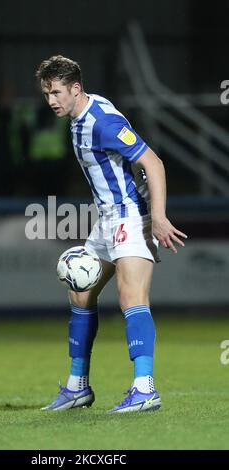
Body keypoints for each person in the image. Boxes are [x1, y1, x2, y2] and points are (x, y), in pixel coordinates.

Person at [35, 55, 187, 413]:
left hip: (130, 217)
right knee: (80, 294)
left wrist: (159, 217)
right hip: (106, 219)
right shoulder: (79, 115)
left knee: (130, 296)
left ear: (76, 88)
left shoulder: (102, 121)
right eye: (46, 93)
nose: (51, 100)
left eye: (56, 92)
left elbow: (153, 162)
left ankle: (145, 388)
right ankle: (78, 387)